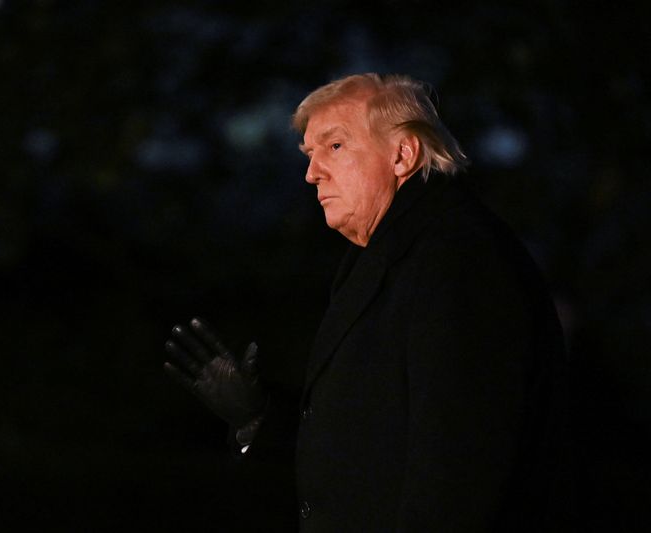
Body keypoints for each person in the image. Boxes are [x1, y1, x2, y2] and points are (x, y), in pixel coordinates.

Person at [164, 73, 571, 532]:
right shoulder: (386, 256)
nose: (311, 172)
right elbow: (369, 452)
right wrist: (259, 420)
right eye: (309, 154)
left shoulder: (457, 259)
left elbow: (460, 466)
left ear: (403, 154)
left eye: (333, 146)